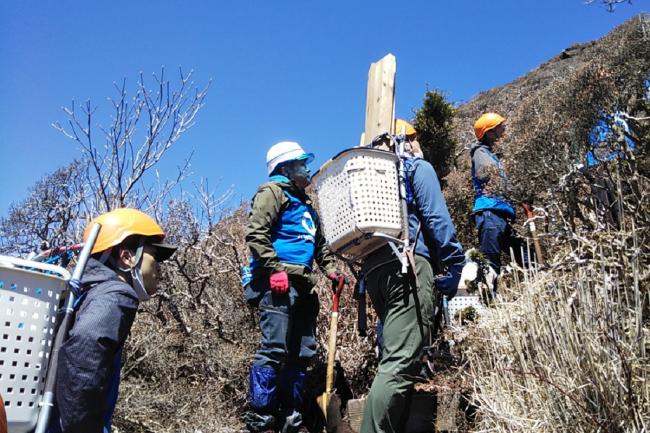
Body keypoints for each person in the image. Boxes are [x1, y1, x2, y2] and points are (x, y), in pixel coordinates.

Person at [360, 120, 465, 433]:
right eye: (416, 138)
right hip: (409, 265)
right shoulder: (415, 168)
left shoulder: (373, 180)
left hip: (376, 270)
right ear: (406, 140)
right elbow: (436, 218)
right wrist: (455, 261)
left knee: (397, 359)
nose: (419, 144)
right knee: (400, 363)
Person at [243, 141, 344, 433]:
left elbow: (320, 246)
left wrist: (332, 271)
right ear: (285, 169)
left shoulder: (306, 206)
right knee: (274, 348)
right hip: (278, 283)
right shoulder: (272, 193)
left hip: (304, 284)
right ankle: (261, 418)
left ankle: (292, 416)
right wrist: (274, 269)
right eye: (300, 164)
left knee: (301, 352)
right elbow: (256, 233)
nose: (307, 169)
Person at [49, 208, 177, 433]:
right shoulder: (116, 294)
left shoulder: (80, 293)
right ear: (127, 257)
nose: (159, 269)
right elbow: (86, 344)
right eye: (155, 257)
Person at [470, 112, 530, 278]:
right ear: (490, 133)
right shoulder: (480, 152)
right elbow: (488, 175)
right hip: (490, 213)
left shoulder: (493, 155)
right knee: (490, 265)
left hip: (501, 214)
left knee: (526, 256)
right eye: (500, 128)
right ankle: (488, 299)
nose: (504, 131)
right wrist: (515, 193)